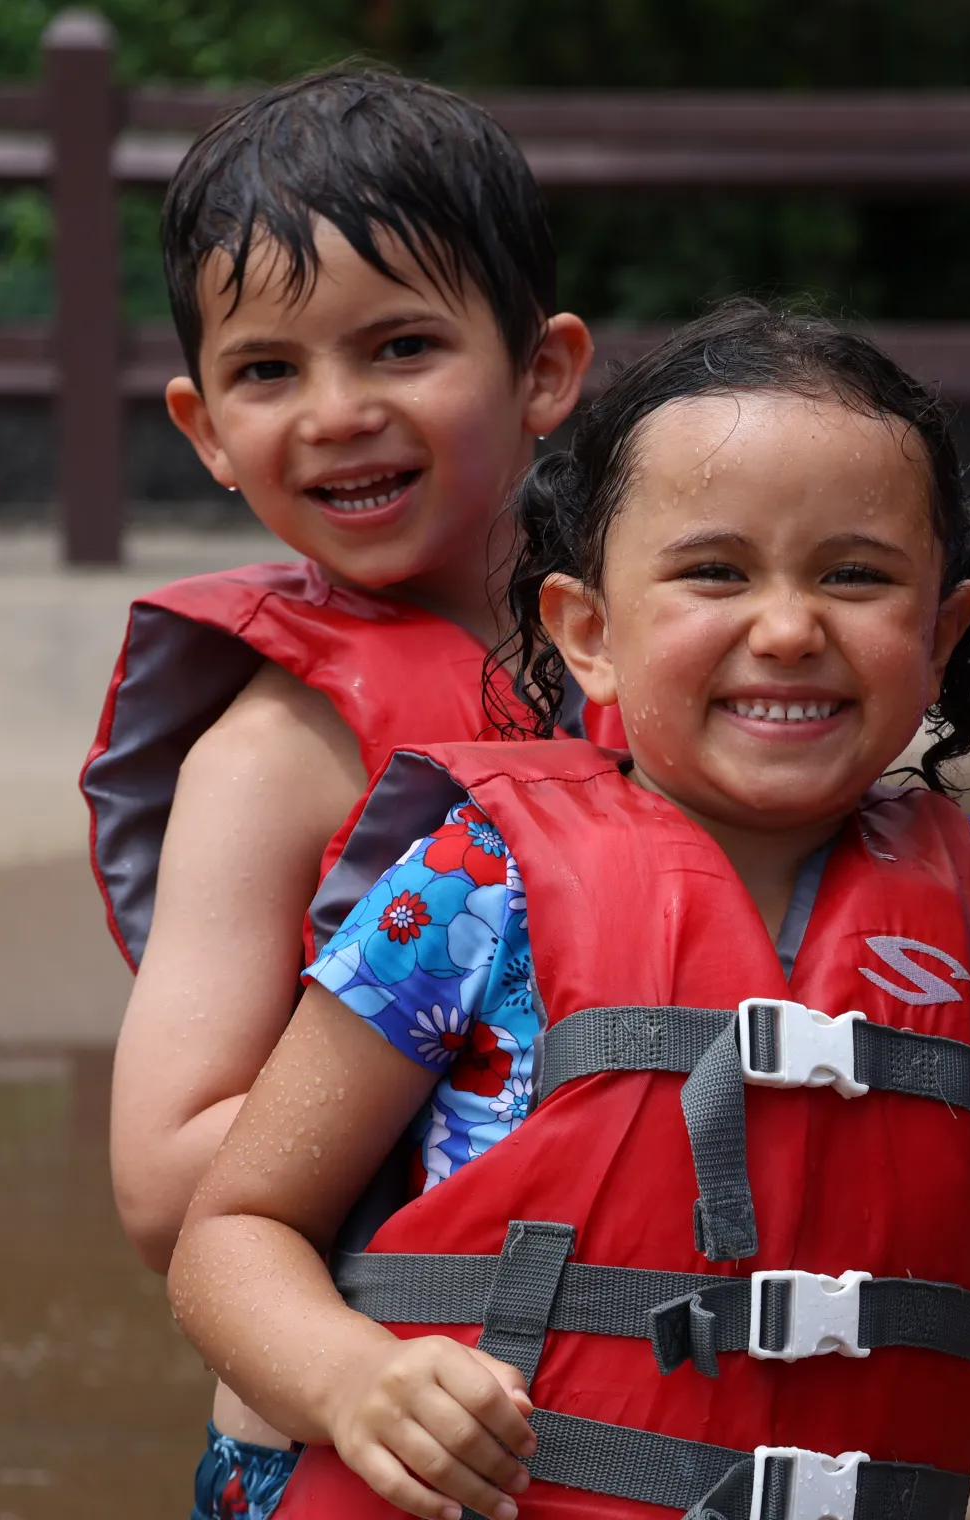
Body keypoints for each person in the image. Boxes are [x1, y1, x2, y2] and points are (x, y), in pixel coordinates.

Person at [164, 301, 970, 1520]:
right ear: (588, 630)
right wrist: (348, 1378)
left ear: (942, 632)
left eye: (853, 576)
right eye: (714, 573)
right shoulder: (472, 883)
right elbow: (233, 1231)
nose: (788, 629)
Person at [83, 66, 594, 1518]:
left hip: (620, 1408)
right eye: (268, 372)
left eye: (402, 346)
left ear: (544, 370)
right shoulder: (270, 761)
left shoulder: (655, 668)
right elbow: (167, 1182)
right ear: (203, 428)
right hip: (349, 1425)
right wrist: (504, 1113)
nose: (339, 412)